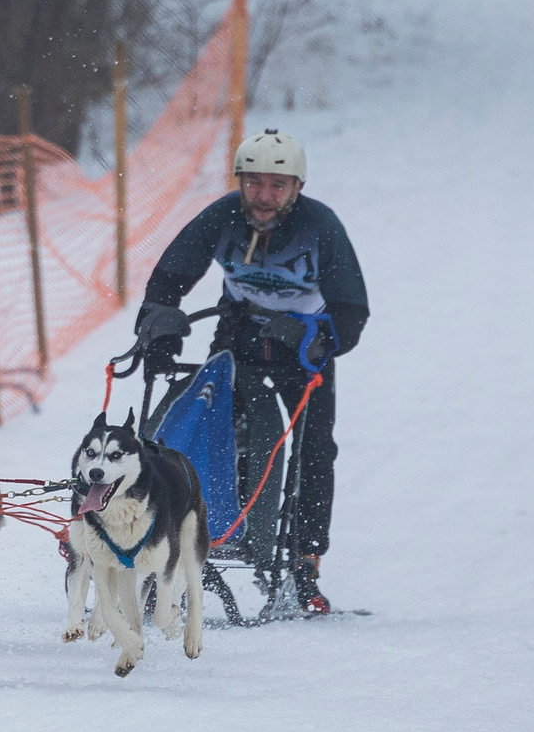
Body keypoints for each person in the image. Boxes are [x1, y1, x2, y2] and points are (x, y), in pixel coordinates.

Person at [133, 130, 366, 615]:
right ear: (239, 182)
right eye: (254, 183)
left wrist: (314, 336)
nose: (264, 196)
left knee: (314, 448)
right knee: (217, 428)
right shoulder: (223, 216)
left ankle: (304, 564)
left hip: (302, 344)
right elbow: (169, 277)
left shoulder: (320, 226)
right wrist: (161, 324)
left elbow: (351, 314)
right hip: (238, 333)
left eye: (278, 185)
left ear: (297, 188)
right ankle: (211, 531)